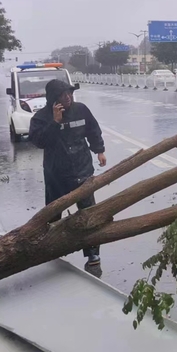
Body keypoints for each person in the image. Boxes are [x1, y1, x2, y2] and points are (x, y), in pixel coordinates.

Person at [28, 79, 107, 275]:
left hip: (82, 170)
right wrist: (54, 122)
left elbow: (93, 130)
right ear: (54, 98)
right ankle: (51, 252)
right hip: (57, 174)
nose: (68, 97)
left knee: (89, 213)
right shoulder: (41, 118)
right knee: (53, 215)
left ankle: (93, 255)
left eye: (70, 93)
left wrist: (99, 150)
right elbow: (39, 141)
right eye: (64, 94)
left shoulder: (81, 110)